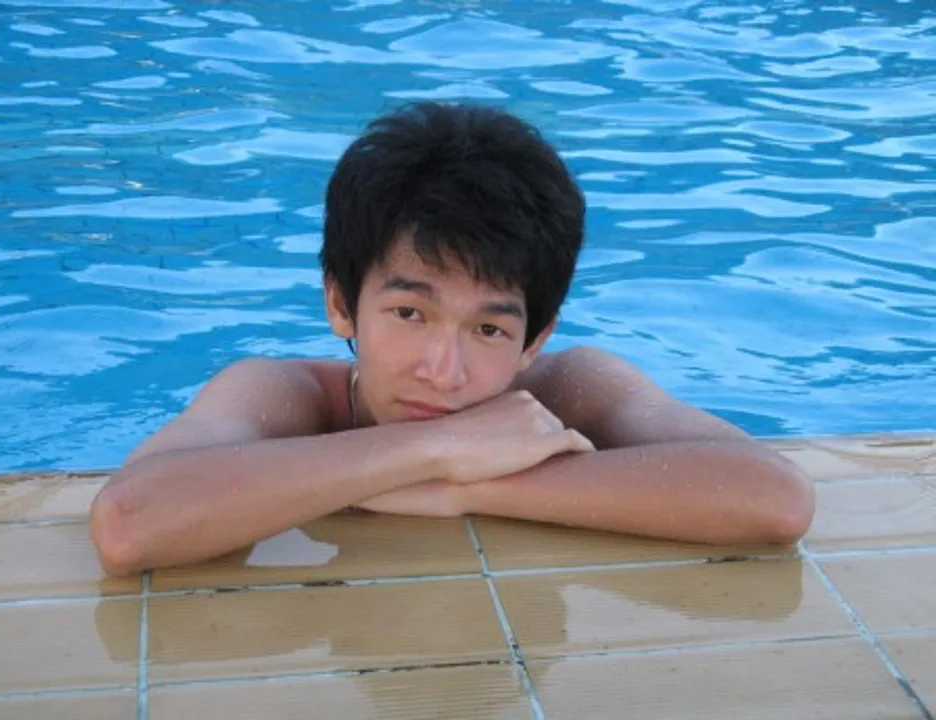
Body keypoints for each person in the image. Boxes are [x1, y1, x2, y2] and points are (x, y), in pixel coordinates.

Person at [89, 101, 815, 577]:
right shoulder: (282, 394)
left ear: (536, 339)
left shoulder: (571, 385)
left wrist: (471, 488)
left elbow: (774, 497)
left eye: (489, 328)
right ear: (341, 303)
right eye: (410, 313)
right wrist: (436, 448)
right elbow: (128, 522)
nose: (444, 371)